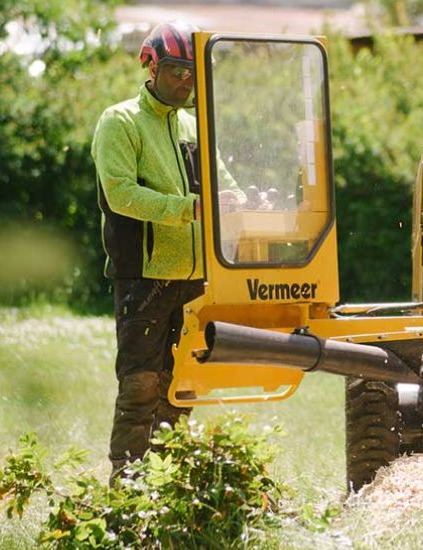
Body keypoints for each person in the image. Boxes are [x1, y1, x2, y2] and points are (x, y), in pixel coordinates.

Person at [91, 21, 244, 481]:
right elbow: (120, 194)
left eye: (192, 73)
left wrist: (239, 201)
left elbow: (222, 185)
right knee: (141, 384)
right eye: (177, 70)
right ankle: (127, 483)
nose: (184, 80)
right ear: (151, 66)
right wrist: (187, 209)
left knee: (183, 386)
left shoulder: (194, 125)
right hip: (143, 274)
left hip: (196, 277)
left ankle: (167, 482)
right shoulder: (120, 122)